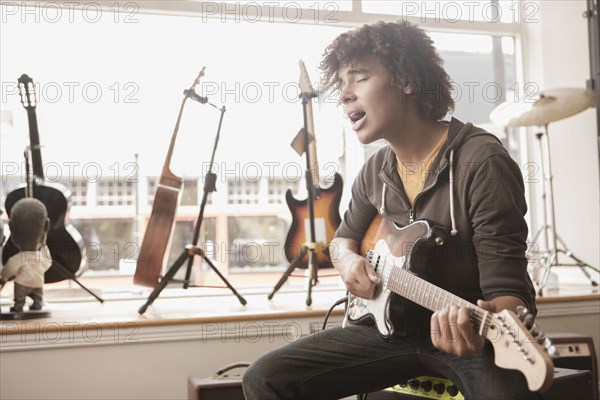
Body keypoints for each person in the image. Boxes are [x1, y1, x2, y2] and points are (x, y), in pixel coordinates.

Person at [242, 20, 539, 399]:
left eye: (359, 78)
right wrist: (348, 262)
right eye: (342, 85)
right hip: (385, 332)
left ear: (406, 81)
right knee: (264, 378)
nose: (345, 95)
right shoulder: (375, 170)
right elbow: (342, 239)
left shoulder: (482, 162)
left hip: (469, 338)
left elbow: (509, 296)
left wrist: (481, 327)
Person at [0, 198, 52, 312]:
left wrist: (3, 277)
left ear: (11, 228)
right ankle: (37, 304)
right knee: (38, 298)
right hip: (38, 283)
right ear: (46, 226)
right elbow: (48, 263)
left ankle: (18, 306)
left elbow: (8, 270)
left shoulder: (18, 259)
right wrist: (45, 244)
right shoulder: (41, 257)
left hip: (22, 284)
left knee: (19, 298)